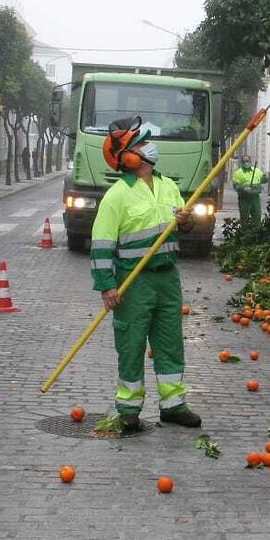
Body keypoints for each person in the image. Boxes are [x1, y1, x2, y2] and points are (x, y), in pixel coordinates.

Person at [92, 124, 200, 433]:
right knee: (132, 343)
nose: (151, 147)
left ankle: (173, 405)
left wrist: (187, 220)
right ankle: (128, 408)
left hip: (167, 278)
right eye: (144, 143)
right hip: (133, 282)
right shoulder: (117, 196)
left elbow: (184, 226)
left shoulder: (167, 185)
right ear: (127, 157)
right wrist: (107, 286)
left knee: (170, 343)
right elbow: (101, 244)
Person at [231, 154, 267, 226]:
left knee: (257, 216)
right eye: (244, 161)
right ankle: (244, 233)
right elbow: (235, 186)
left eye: (247, 161)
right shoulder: (238, 173)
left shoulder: (257, 171)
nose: (246, 163)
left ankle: (256, 233)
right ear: (241, 162)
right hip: (244, 198)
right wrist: (243, 188)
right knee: (244, 218)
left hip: (255, 197)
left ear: (250, 162)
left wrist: (265, 178)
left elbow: (264, 179)